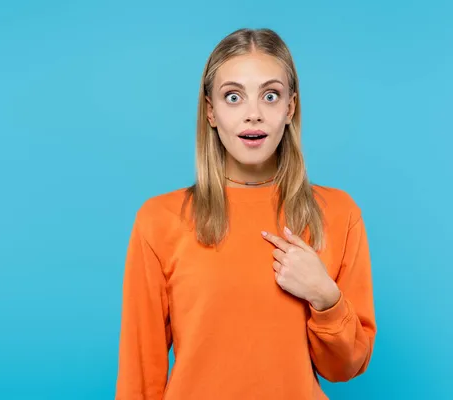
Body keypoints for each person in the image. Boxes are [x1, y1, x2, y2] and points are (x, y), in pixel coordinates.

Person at [114, 27, 377, 400]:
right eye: (233, 97)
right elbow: (139, 377)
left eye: (270, 96)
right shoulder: (159, 220)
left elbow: (345, 367)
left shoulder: (337, 213)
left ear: (290, 108)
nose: (253, 115)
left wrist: (325, 297)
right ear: (211, 111)